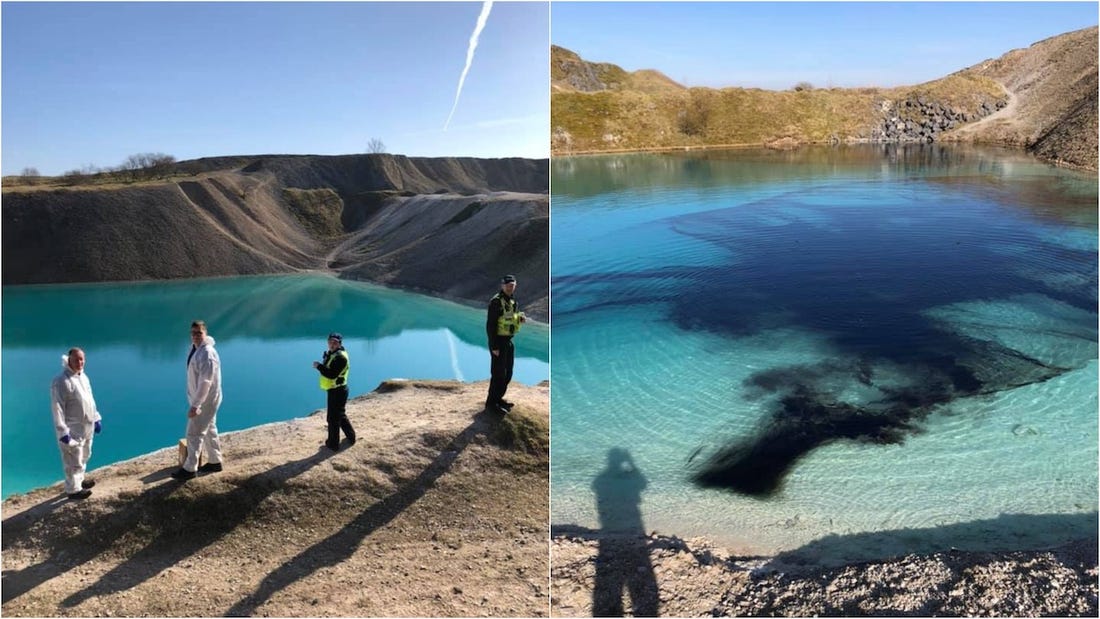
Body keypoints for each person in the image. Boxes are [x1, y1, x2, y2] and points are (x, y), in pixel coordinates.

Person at [172, 320, 224, 480]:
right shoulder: (195, 349)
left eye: (199, 333)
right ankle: (215, 461)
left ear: (205, 333)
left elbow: (206, 382)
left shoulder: (207, 353)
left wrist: (196, 405)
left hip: (205, 400)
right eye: (193, 333)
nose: (195, 336)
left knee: (194, 433)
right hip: (203, 399)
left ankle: (189, 469)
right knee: (209, 428)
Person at [50, 348, 103, 500]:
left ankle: (79, 481)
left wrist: (96, 417)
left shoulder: (83, 377)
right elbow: (57, 408)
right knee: (73, 460)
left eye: (82, 359)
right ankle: (73, 490)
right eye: (76, 360)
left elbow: (90, 400)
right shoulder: (61, 381)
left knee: (85, 455)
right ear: (69, 360)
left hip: (86, 427)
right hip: (72, 430)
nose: (79, 362)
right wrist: (62, 432)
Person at [485, 274, 526, 414]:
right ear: (502, 285)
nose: (510, 288)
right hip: (498, 343)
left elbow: (510, 320)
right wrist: (494, 346)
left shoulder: (513, 302)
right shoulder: (496, 302)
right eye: (508, 285)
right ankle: (491, 404)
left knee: (508, 373)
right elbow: (490, 325)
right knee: (498, 374)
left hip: (508, 341)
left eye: (513, 286)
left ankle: (499, 398)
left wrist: (519, 320)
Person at [313, 332, 356, 451]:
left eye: (335, 342)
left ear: (339, 343)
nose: (332, 344)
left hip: (338, 391)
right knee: (339, 415)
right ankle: (351, 437)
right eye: (330, 342)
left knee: (333, 418)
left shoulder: (340, 357)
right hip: (334, 389)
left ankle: (333, 444)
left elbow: (331, 374)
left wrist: (319, 366)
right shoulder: (333, 354)